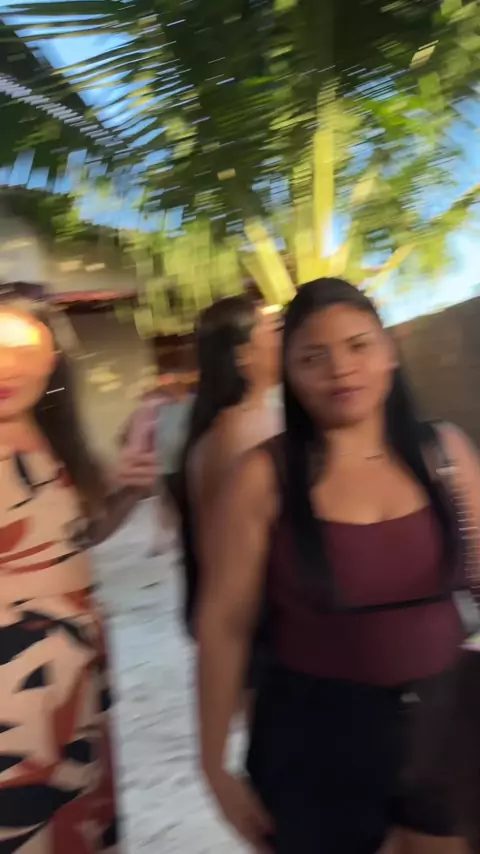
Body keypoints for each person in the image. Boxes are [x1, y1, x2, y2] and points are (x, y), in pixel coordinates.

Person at [197, 277, 480, 854]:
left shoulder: (445, 454)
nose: (340, 369)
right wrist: (213, 764)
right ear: (289, 372)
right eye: (312, 357)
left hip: (448, 720)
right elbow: (223, 625)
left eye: (358, 345)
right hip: (315, 738)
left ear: (389, 350)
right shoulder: (263, 477)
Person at [0, 281, 157, 853]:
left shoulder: (53, 442)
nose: (6, 367)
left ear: (52, 358)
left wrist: (127, 494)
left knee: (76, 825)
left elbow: (76, 541)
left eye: (22, 350)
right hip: (14, 695)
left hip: (76, 685)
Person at [177, 294, 281, 645]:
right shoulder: (241, 433)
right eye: (272, 331)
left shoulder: (248, 422)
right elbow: (226, 552)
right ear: (243, 354)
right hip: (261, 622)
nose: (282, 340)